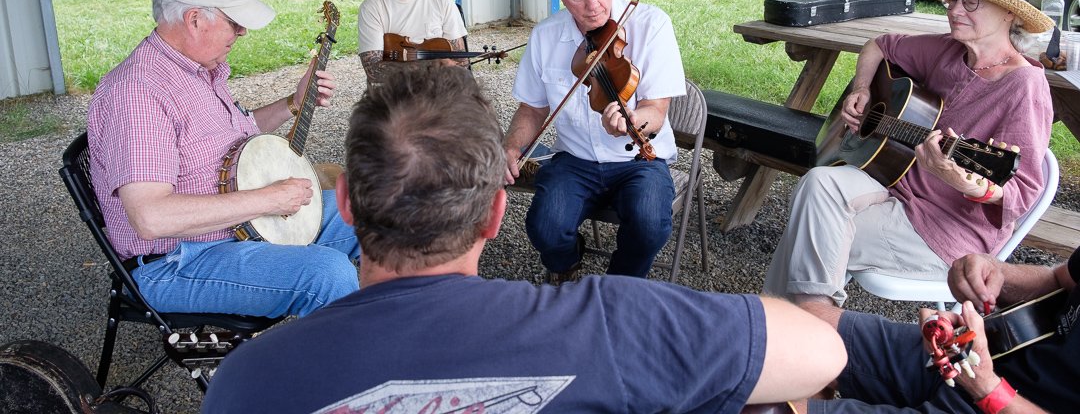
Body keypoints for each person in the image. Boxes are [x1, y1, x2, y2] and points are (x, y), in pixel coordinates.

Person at [202, 66, 848, 414]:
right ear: (494, 215)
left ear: (342, 200)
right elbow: (822, 352)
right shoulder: (612, 322)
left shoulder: (248, 379)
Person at [764, 0, 1053, 308]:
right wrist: (863, 89)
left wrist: (958, 179)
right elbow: (878, 45)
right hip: (894, 182)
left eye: (971, 2)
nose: (954, 10)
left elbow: (1021, 193)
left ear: (1009, 13)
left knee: (810, 230)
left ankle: (787, 329)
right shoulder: (947, 50)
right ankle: (791, 328)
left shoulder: (1023, 86)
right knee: (817, 183)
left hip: (946, 231)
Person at [87, 0, 360, 318]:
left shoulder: (197, 69)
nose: (243, 32)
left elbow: (232, 143)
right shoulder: (138, 94)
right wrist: (267, 199)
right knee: (327, 274)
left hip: (243, 228)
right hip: (181, 261)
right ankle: (362, 369)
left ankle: (413, 333)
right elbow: (152, 217)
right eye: (235, 22)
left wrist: (292, 104)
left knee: (385, 213)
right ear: (195, 19)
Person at [502, 0, 685, 282]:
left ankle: (617, 285)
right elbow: (532, 109)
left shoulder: (651, 25)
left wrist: (633, 122)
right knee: (544, 227)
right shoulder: (545, 36)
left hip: (639, 162)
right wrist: (511, 149)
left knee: (649, 226)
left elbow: (655, 110)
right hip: (575, 159)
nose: (593, 5)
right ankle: (568, 265)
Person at [787, 247, 1080, 413]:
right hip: (976, 358)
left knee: (777, 409)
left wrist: (987, 388)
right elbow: (1059, 278)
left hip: (1001, 399)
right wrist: (997, 274)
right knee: (802, 327)